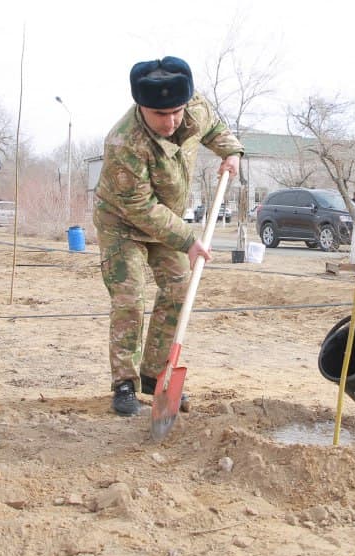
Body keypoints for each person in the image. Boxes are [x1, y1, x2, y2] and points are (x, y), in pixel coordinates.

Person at [93, 56, 244, 417]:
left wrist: (232, 151)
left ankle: (155, 373)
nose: (171, 121)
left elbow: (215, 128)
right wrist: (189, 240)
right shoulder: (123, 142)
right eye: (161, 114)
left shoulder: (193, 108)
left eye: (176, 112)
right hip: (122, 222)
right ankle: (124, 383)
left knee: (179, 290)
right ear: (141, 106)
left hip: (169, 221)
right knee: (129, 297)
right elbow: (141, 208)